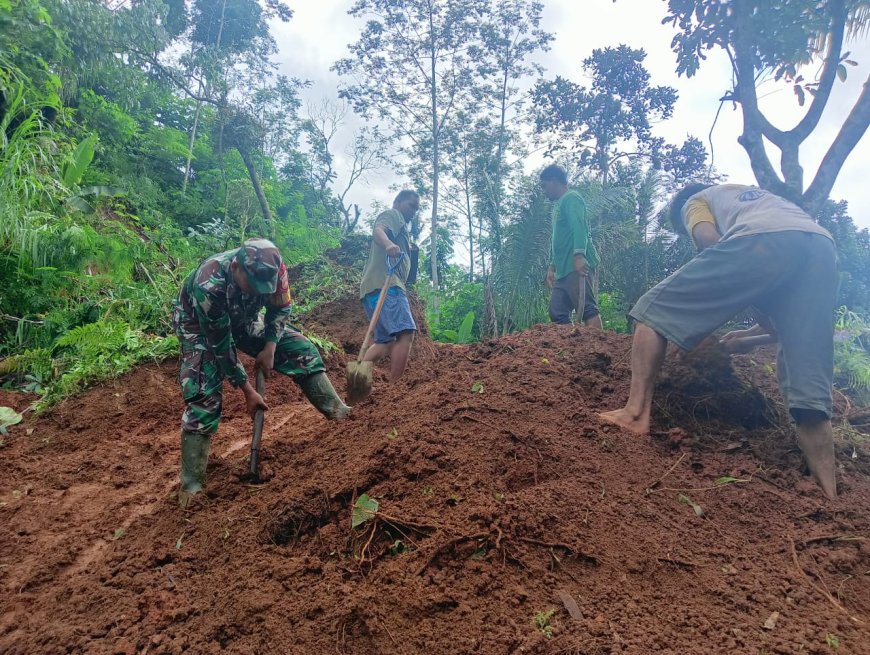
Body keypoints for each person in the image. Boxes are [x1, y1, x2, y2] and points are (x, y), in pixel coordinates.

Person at [599, 183, 839, 499]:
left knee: (652, 310)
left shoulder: (695, 201)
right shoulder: (758, 200)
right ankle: (829, 493)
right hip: (822, 248)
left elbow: (708, 240)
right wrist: (748, 338)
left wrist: (720, 290)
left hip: (763, 242)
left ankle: (634, 414)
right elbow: (780, 328)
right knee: (806, 380)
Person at [172, 238, 350, 508]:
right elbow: (221, 345)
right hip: (199, 328)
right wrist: (247, 390)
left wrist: (270, 346)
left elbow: (280, 308)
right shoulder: (209, 283)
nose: (258, 293)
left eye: (262, 290)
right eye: (252, 287)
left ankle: (341, 416)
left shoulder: (275, 269)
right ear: (236, 268)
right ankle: (191, 487)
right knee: (203, 395)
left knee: (301, 350)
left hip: (243, 319)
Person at [358, 190, 420, 382]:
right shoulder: (394, 215)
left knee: (384, 342)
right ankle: (396, 389)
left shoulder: (403, 230)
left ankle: (357, 382)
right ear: (398, 201)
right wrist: (388, 245)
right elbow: (378, 230)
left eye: (416, 209)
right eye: (411, 206)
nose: (413, 212)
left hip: (373, 287)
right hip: (387, 284)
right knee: (406, 332)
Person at [539, 164, 603, 329]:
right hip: (562, 269)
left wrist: (579, 255)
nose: (544, 191)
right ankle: (573, 349)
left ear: (554, 181)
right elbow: (559, 240)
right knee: (557, 311)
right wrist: (552, 267)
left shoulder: (572, 198)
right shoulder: (558, 207)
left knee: (587, 309)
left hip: (575, 266)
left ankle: (599, 350)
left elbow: (579, 226)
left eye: (544, 186)